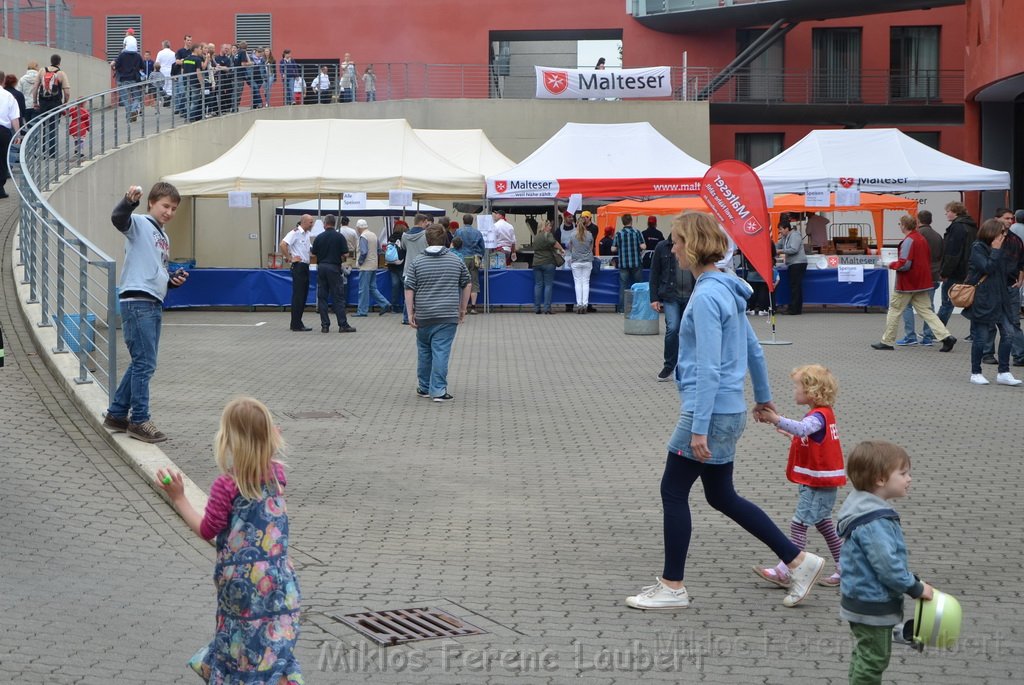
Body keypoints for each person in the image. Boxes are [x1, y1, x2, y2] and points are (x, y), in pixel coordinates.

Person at [625, 212, 825, 611]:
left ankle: (672, 586)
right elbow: (752, 349)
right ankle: (798, 560)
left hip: (709, 412)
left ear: (694, 245)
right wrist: (764, 397)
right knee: (721, 495)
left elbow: (710, 366)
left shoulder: (705, 296)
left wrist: (698, 427)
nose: (673, 248)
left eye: (678, 241)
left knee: (673, 491)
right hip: (726, 411)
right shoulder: (728, 290)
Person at [156, 396, 303, 684]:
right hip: (280, 580)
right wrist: (266, 437)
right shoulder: (276, 475)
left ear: (228, 440)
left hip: (242, 586)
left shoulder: (226, 485)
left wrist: (179, 497)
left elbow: (208, 529)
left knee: (238, 644)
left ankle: (225, 675)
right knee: (271, 643)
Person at [836, 440, 933, 685]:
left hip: (862, 599)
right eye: (903, 473)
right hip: (872, 604)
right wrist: (916, 588)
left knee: (865, 654)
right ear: (880, 479)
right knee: (874, 660)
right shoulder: (874, 522)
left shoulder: (861, 506)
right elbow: (887, 567)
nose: (909, 478)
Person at [102, 183, 187, 444]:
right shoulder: (139, 222)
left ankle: (117, 414)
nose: (169, 212)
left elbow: (156, 268)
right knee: (145, 363)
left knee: (141, 362)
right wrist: (129, 201)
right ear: (151, 203)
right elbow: (119, 219)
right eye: (165, 206)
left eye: (173, 208)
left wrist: (171, 281)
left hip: (151, 300)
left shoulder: (164, 235)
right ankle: (139, 420)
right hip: (137, 301)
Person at [753, 364, 845, 588]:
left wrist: (776, 419)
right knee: (823, 523)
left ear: (812, 391)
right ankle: (846, 567)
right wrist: (788, 430)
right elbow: (807, 435)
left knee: (799, 523)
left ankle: (786, 569)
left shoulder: (818, 416)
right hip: (819, 482)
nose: (794, 390)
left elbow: (803, 429)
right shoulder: (823, 415)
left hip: (816, 484)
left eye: (797, 386)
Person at [405, 224, 471, 402]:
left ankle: (424, 387)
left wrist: (410, 312)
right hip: (447, 314)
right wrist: (463, 309)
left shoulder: (417, 261)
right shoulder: (456, 260)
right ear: (445, 239)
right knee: (441, 351)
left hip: (424, 314)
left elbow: (409, 287)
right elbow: (467, 283)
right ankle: (438, 390)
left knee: (424, 352)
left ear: (426, 240)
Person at [871, 215, 957, 352]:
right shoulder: (921, 239)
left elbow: (905, 264)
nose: (899, 226)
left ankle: (887, 341)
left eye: (900, 224)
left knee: (894, 310)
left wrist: (889, 264)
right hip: (922, 282)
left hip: (908, 283)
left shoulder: (909, 240)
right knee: (927, 312)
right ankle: (946, 336)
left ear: (904, 226)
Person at [962, 219, 1023, 386]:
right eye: (1001, 232)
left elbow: (1006, 269)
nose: (1004, 235)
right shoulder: (978, 247)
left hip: (1002, 297)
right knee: (981, 337)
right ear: (992, 233)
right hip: (983, 298)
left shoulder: (1004, 247)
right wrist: (995, 251)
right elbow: (987, 268)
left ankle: (1003, 372)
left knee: (1009, 333)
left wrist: (1015, 278)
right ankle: (976, 372)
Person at [978, 208, 1024, 366]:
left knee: (1013, 322)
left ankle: (1019, 355)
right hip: (992, 286)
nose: (1010, 221)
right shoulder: (988, 239)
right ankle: (987, 353)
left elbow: (1021, 263)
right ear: (997, 219)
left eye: (1012, 219)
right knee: (990, 322)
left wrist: (1020, 280)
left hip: (1010, 286)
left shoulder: (1016, 240)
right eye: (1007, 218)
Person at [649, 236, 694, 381]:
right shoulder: (662, 247)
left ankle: (687, 365)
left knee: (688, 331)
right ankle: (669, 366)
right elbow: (654, 273)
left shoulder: (693, 244)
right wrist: (654, 298)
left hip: (691, 296)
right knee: (673, 328)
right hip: (670, 295)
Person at [897, 210, 943, 346]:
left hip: (916, 277)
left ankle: (910, 336)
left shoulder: (915, 237)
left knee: (907, 306)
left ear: (918, 221)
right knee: (929, 307)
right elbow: (942, 255)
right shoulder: (938, 236)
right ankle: (928, 336)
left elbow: (909, 261)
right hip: (934, 274)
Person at [311, 214, 356, 334]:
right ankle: (342, 325)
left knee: (322, 297)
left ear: (325, 223)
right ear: (335, 223)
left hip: (321, 267)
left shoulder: (319, 237)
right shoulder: (339, 236)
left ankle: (325, 325)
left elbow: (313, 254)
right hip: (334, 268)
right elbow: (346, 254)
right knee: (338, 297)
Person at [937, 201, 978, 325]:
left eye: (948, 211)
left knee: (947, 303)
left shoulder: (957, 227)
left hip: (956, 271)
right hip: (970, 269)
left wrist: (944, 272)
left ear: (955, 212)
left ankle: (937, 332)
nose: (946, 214)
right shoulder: (971, 226)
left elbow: (953, 253)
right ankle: (974, 333)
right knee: (972, 302)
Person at [279, 214, 314, 331]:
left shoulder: (307, 234)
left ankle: (298, 321)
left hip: (305, 266)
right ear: (303, 222)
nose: (312, 224)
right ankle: (295, 324)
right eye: (310, 222)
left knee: (303, 295)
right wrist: (289, 258)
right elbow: (283, 244)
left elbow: (311, 251)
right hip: (298, 266)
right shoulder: (295, 233)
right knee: (298, 295)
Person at [33, 53, 70, 158]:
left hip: (43, 102)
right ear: (59, 62)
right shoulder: (61, 73)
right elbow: (67, 92)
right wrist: (65, 103)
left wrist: (35, 102)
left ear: (50, 61)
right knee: (54, 126)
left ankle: (44, 151)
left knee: (45, 126)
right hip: (55, 103)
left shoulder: (42, 71)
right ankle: (52, 152)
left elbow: (35, 87)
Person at [611, 214, 646, 313]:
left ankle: (622, 309)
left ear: (623, 222)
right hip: (636, 263)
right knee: (639, 286)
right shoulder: (636, 232)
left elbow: (612, 248)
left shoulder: (619, 233)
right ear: (631, 221)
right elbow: (643, 246)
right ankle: (640, 308)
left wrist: (620, 247)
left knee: (623, 287)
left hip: (623, 263)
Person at [355, 219, 391, 316]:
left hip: (365, 266)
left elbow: (363, 252)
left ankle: (362, 311)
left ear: (358, 228)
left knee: (363, 289)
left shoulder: (363, 237)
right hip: (374, 265)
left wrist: (360, 262)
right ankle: (385, 303)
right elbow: (379, 250)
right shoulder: (374, 235)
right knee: (372, 288)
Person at [532, 219, 564, 315]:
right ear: (545, 226)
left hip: (536, 263)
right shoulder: (548, 235)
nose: (550, 228)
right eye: (549, 226)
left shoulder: (536, 236)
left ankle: (537, 308)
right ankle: (547, 308)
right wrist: (561, 249)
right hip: (548, 263)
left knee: (538, 285)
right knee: (548, 285)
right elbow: (554, 243)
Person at [454, 214, 484, 314]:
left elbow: (455, 244)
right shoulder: (477, 232)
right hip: (474, 258)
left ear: (463, 221)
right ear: (472, 221)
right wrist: (480, 256)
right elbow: (482, 247)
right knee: (474, 281)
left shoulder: (458, 231)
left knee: (462, 282)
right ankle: (473, 307)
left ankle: (463, 307)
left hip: (462, 257)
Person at [776, 220, 807, 315]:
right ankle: (794, 307)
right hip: (792, 264)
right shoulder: (785, 237)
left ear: (786, 228)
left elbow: (794, 249)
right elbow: (777, 245)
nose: (780, 231)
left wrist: (780, 251)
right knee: (794, 286)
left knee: (795, 287)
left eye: (781, 229)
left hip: (798, 263)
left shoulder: (795, 235)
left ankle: (795, 309)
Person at [0, 74, 21, 198]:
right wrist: (17, 134)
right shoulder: (8, 96)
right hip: (3, 131)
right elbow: (14, 118)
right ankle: (0, 188)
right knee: (2, 159)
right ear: (3, 81)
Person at [568, 217, 594, 314]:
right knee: (586, 282)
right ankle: (585, 304)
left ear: (576, 224)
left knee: (578, 283)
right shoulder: (589, 235)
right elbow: (591, 247)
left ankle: (579, 304)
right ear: (586, 224)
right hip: (587, 260)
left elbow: (570, 247)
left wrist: (575, 253)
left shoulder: (572, 234)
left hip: (576, 260)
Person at [111, 44, 144, 122]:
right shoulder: (137, 56)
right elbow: (142, 66)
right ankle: (133, 110)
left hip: (123, 80)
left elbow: (117, 67)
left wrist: (114, 67)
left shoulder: (122, 55)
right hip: (135, 79)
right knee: (137, 97)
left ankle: (129, 115)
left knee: (125, 99)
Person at [387, 221, 409, 322]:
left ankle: (394, 306)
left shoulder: (390, 237)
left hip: (392, 265)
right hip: (402, 265)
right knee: (406, 287)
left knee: (394, 286)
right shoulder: (405, 237)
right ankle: (405, 305)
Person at [154, 40, 175, 105]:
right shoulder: (173, 53)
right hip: (170, 71)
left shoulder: (160, 53)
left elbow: (157, 63)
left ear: (163, 45)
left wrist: (155, 71)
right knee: (169, 87)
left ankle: (165, 98)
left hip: (162, 71)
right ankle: (168, 100)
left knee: (162, 87)